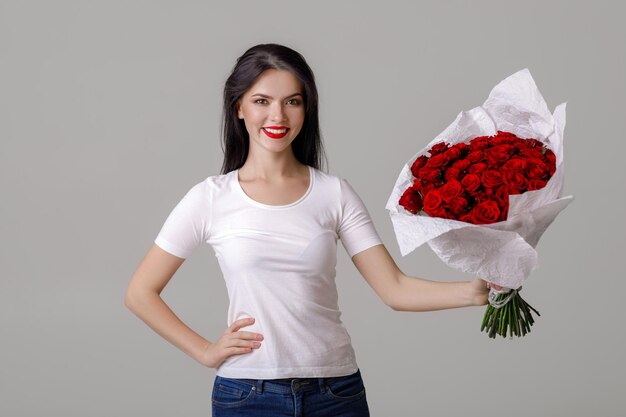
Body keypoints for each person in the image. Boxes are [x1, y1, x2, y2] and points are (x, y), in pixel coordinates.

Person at [124, 43, 492, 417]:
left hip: (336, 392)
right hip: (248, 395)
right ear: (239, 107)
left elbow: (394, 289)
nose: (277, 115)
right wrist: (205, 351)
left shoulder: (334, 193)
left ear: (306, 109)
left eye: (292, 101)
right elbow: (140, 293)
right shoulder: (211, 198)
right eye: (262, 101)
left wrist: (476, 292)